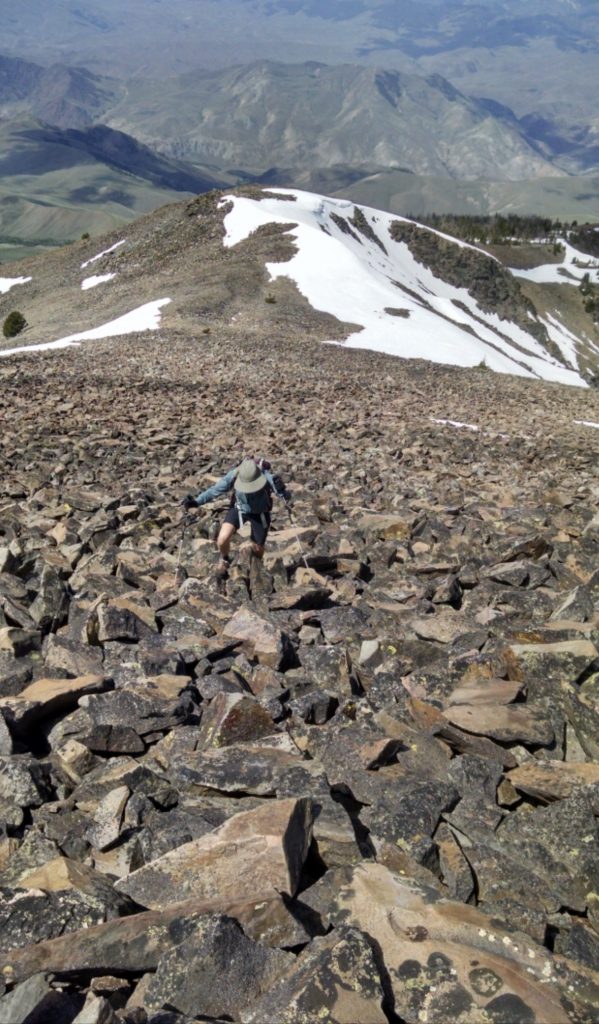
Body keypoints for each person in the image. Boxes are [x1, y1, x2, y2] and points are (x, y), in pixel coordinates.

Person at [182, 457, 291, 576]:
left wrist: (283, 491)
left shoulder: (267, 477)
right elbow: (215, 490)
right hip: (239, 508)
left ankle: (257, 568)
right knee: (222, 539)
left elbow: (285, 497)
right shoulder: (234, 475)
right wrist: (196, 502)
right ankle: (224, 559)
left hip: (260, 514)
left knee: (257, 548)